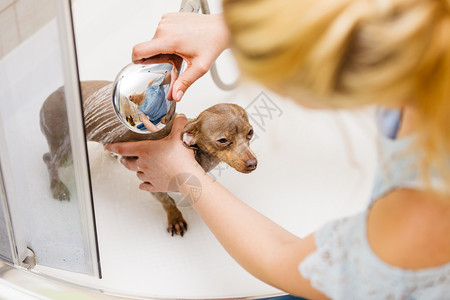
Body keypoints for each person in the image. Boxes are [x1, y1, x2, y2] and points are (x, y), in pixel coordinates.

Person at [105, 0, 450, 298]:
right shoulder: (427, 24)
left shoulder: (421, 212)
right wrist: (235, 29)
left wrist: (184, 175)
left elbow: (285, 260)